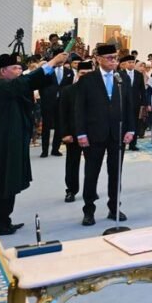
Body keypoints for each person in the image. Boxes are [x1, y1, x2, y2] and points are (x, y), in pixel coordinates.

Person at [0, 52, 68, 235]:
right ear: (3, 71)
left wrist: (53, 66)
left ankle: (4, 220)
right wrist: (52, 62)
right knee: (2, 184)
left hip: (13, 141)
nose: (19, 71)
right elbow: (26, 82)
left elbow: (33, 82)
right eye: (15, 68)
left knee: (10, 182)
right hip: (3, 144)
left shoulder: (9, 85)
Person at [75, 44, 135, 226]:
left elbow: (129, 105)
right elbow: (79, 109)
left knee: (116, 173)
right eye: (109, 57)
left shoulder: (122, 78)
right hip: (94, 133)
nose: (113, 61)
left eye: (115, 57)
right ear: (98, 59)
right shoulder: (87, 79)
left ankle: (114, 207)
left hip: (118, 133)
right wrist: (81, 133)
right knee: (91, 173)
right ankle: (89, 210)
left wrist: (131, 129)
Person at [59, 60, 93, 203]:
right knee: (72, 163)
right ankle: (71, 190)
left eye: (88, 73)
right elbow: (62, 114)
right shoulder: (68, 91)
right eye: (82, 73)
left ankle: (90, 190)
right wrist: (65, 134)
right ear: (77, 74)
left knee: (92, 164)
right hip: (73, 134)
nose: (85, 76)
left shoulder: (98, 91)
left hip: (93, 134)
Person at [37, 52, 71, 158]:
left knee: (60, 125)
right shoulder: (47, 69)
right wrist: (44, 97)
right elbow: (41, 85)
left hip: (62, 102)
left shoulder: (69, 72)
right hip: (48, 102)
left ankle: (55, 149)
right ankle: (44, 150)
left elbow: (69, 87)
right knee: (46, 126)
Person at [119, 54, 147, 152]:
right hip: (123, 103)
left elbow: (142, 89)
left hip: (135, 103)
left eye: (132, 62)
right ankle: (121, 142)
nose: (131, 64)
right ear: (124, 64)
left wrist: (144, 103)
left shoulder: (138, 74)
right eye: (129, 62)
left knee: (134, 122)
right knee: (123, 121)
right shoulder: (119, 74)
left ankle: (133, 144)